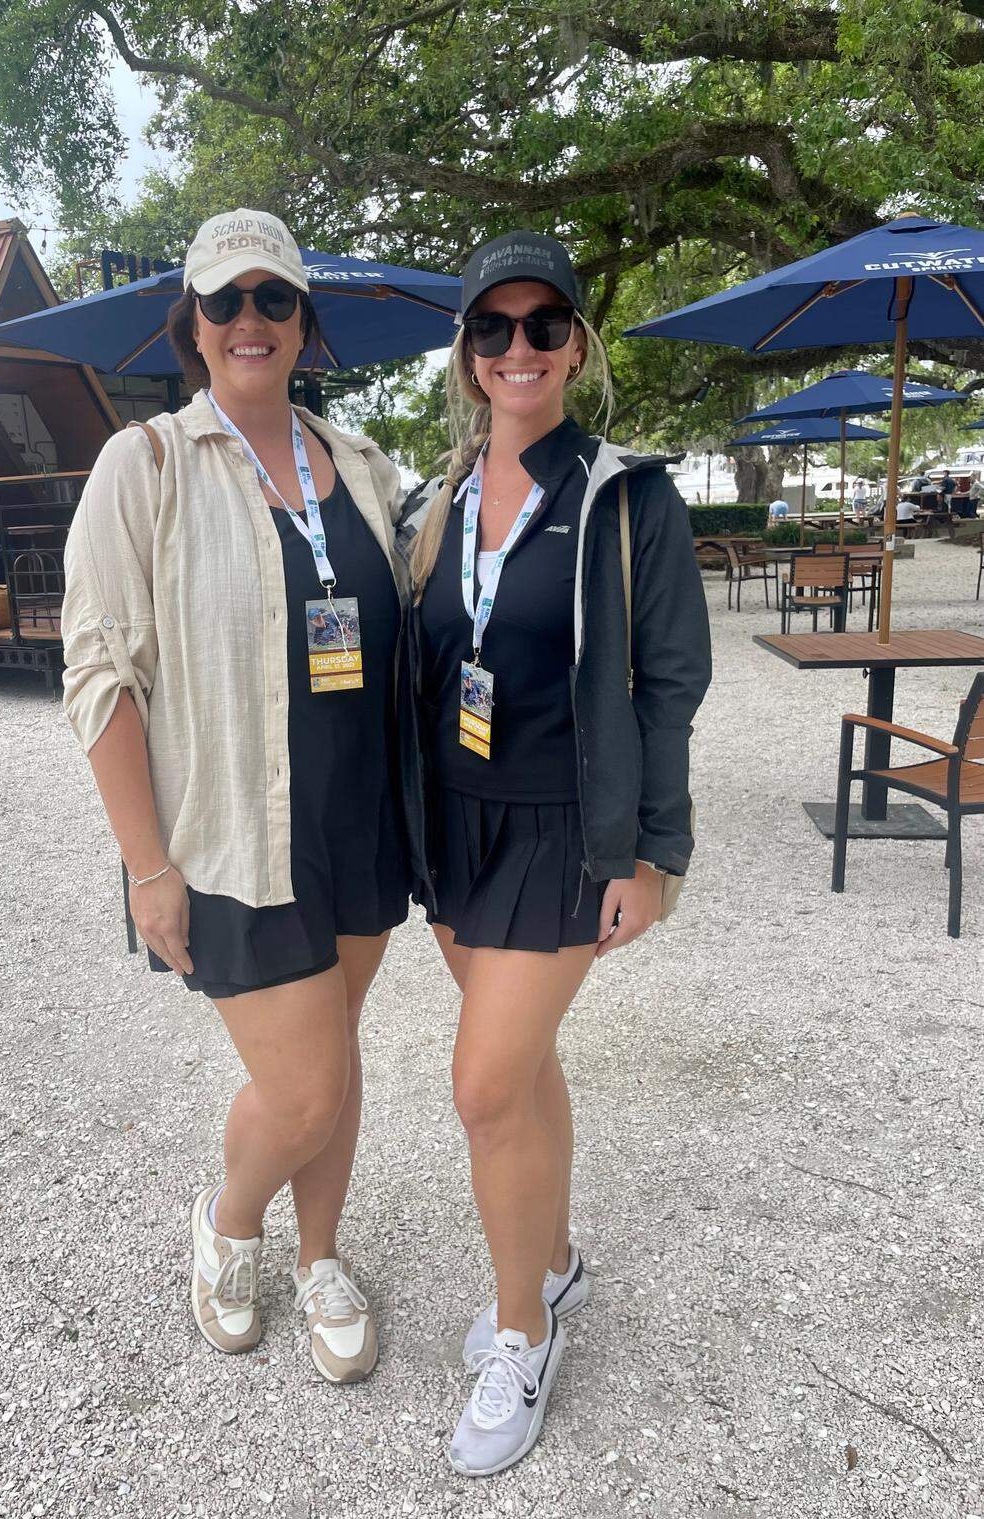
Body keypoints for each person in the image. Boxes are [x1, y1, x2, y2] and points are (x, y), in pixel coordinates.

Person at [60, 210, 410, 1386]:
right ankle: (228, 1227)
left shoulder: (360, 465)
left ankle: (320, 1258)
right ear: (192, 327)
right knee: (302, 1084)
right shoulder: (145, 465)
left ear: (305, 325)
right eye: (225, 301)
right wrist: (146, 865)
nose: (250, 319)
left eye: (275, 299)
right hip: (228, 841)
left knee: (339, 1062)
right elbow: (101, 670)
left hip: (360, 826)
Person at [399, 232, 711, 1476]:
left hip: (564, 835)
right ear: (469, 354)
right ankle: (561, 1258)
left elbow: (673, 682)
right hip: (458, 833)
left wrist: (650, 851)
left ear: (578, 344)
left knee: (482, 1087)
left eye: (543, 326)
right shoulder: (441, 500)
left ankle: (522, 1333)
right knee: (521, 1075)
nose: (517, 349)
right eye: (494, 328)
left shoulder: (628, 498)